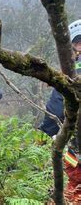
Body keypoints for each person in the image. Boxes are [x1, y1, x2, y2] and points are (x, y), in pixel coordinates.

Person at [39, 19, 81, 201]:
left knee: (75, 191)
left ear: (76, 44)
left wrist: (44, 133)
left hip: (78, 148)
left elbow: (56, 109)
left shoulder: (71, 73)